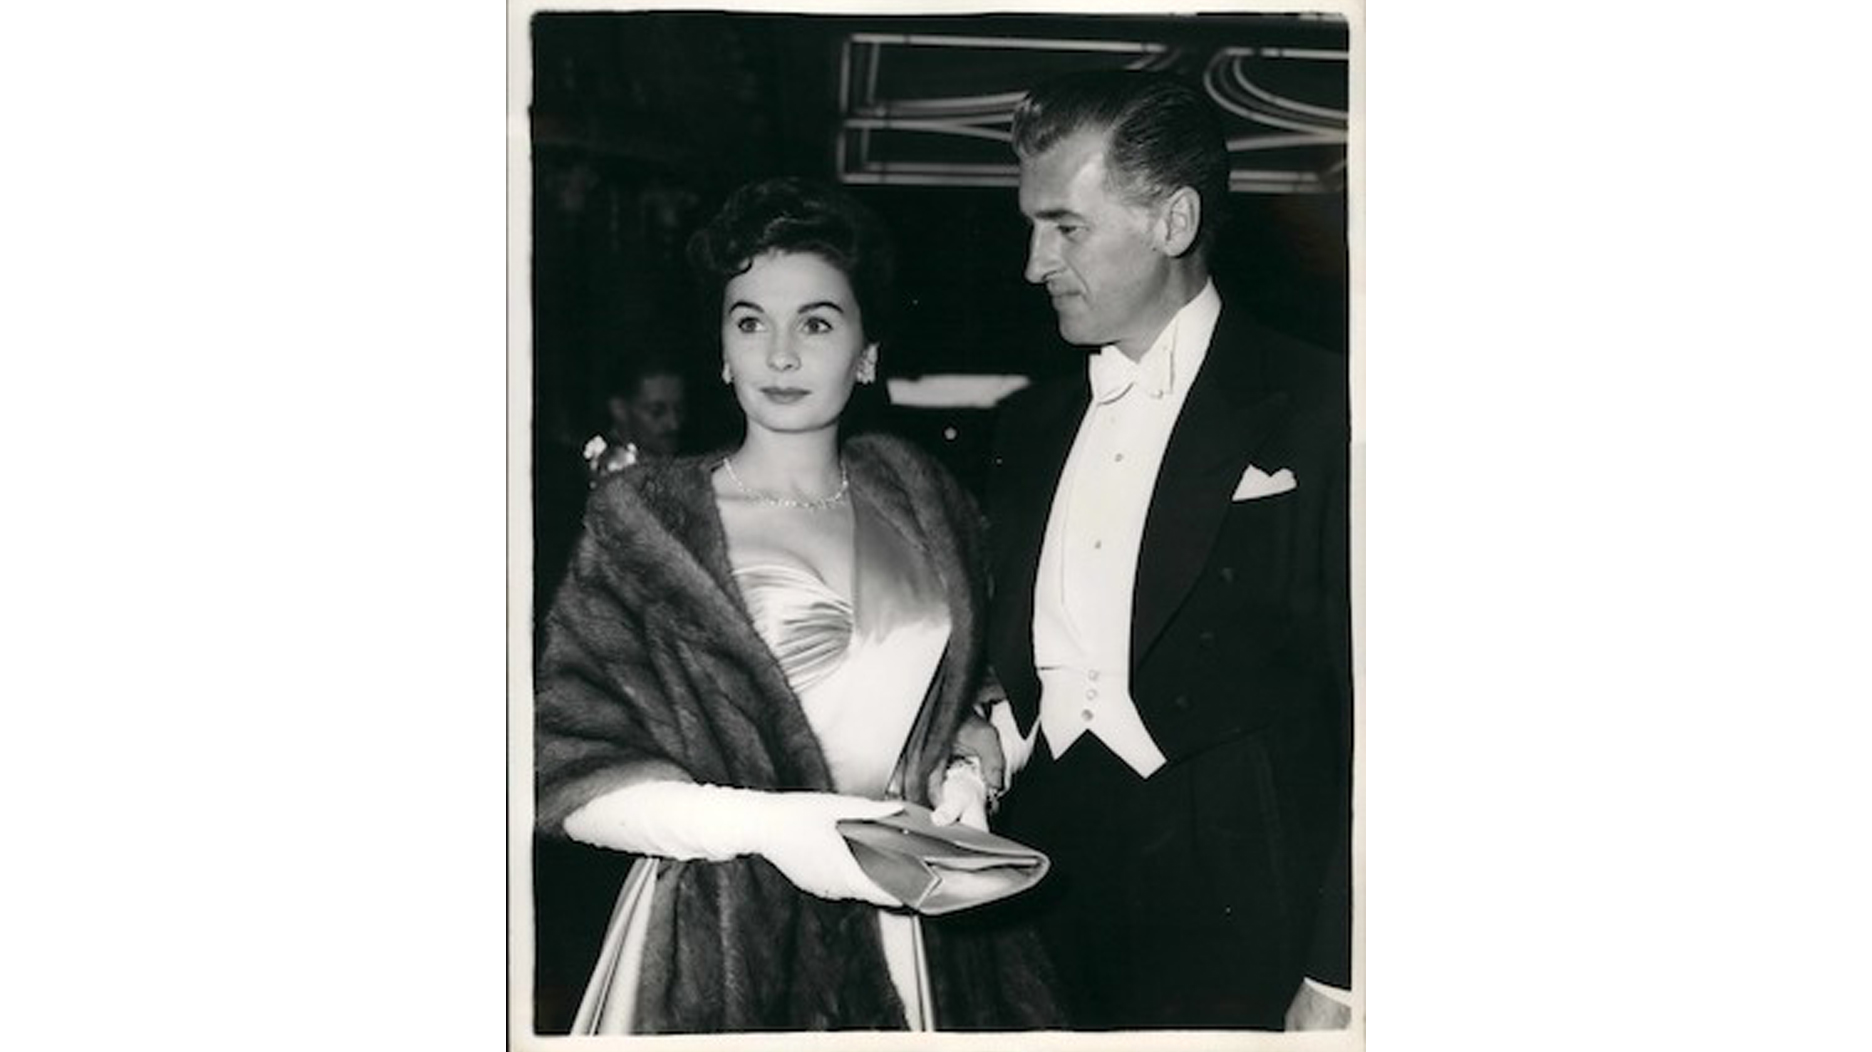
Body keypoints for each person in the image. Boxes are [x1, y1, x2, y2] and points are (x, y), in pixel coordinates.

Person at [534, 177, 1060, 1033]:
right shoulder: (647, 527)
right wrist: (779, 829)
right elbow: (567, 768)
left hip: (914, 924)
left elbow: (976, 695)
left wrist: (964, 775)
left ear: (867, 353)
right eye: (750, 323)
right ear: (722, 350)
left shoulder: (925, 502)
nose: (780, 356)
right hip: (722, 940)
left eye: (816, 323)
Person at [979, 70, 1354, 1030]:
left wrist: (1342, 970)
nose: (1033, 264)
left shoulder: (1329, 407)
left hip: (1244, 904)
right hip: (1036, 895)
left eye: (1066, 227)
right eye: (1032, 227)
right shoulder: (1025, 427)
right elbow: (1024, 654)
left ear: (1173, 221)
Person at [581, 353, 689, 481]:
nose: (674, 424)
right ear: (619, 409)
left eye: (679, 409)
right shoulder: (598, 472)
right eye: (657, 412)